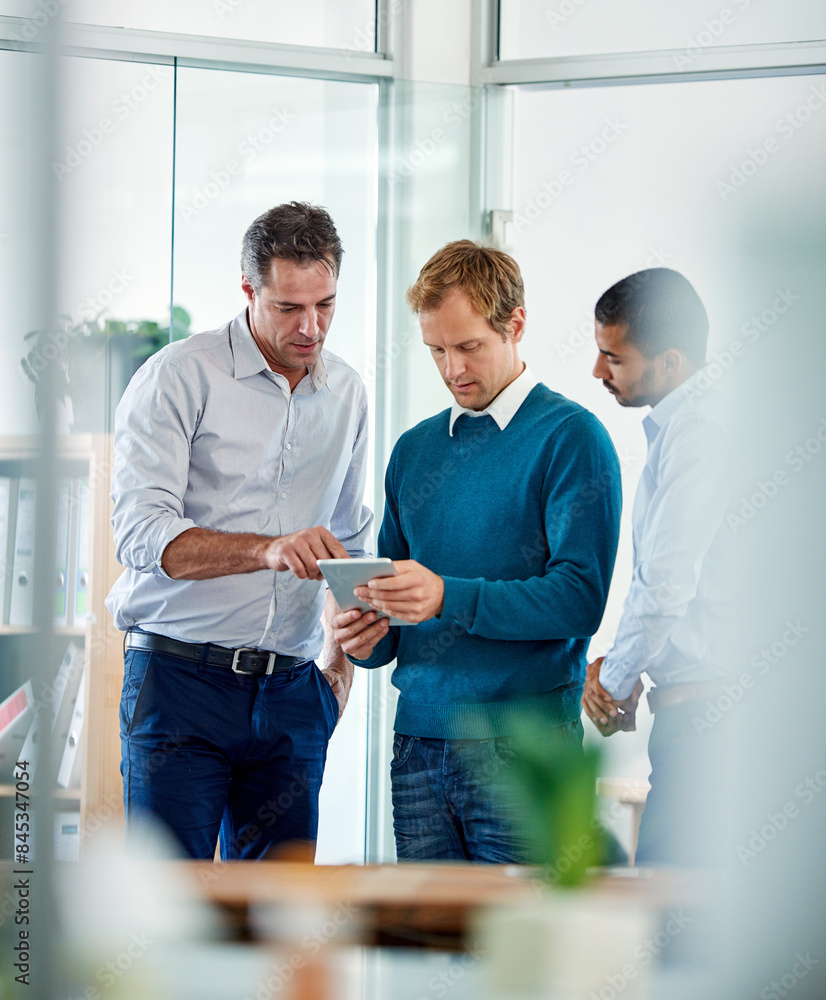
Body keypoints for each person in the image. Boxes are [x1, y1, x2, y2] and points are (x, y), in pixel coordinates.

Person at [333, 240, 622, 863]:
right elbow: (391, 609)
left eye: (469, 347)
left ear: (515, 325)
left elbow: (580, 599)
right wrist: (368, 636)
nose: (452, 368)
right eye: (437, 350)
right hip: (418, 744)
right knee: (427, 957)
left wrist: (446, 594)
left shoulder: (571, 439)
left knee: (521, 955)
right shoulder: (414, 451)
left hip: (526, 752)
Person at [106, 201, 373, 861]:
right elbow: (142, 533)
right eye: (288, 307)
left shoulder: (348, 393)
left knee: (280, 930)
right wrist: (268, 550)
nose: (311, 327)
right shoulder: (179, 376)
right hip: (178, 683)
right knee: (172, 920)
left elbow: (351, 542)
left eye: (326, 305)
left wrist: (337, 674)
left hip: (291, 694)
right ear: (249, 291)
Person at [581, 267, 733, 866]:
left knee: (672, 927)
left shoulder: (701, 431)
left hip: (709, 725)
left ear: (669, 363)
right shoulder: (688, 427)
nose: (598, 372)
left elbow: (665, 586)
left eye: (612, 357)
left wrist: (612, 685)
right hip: (697, 717)